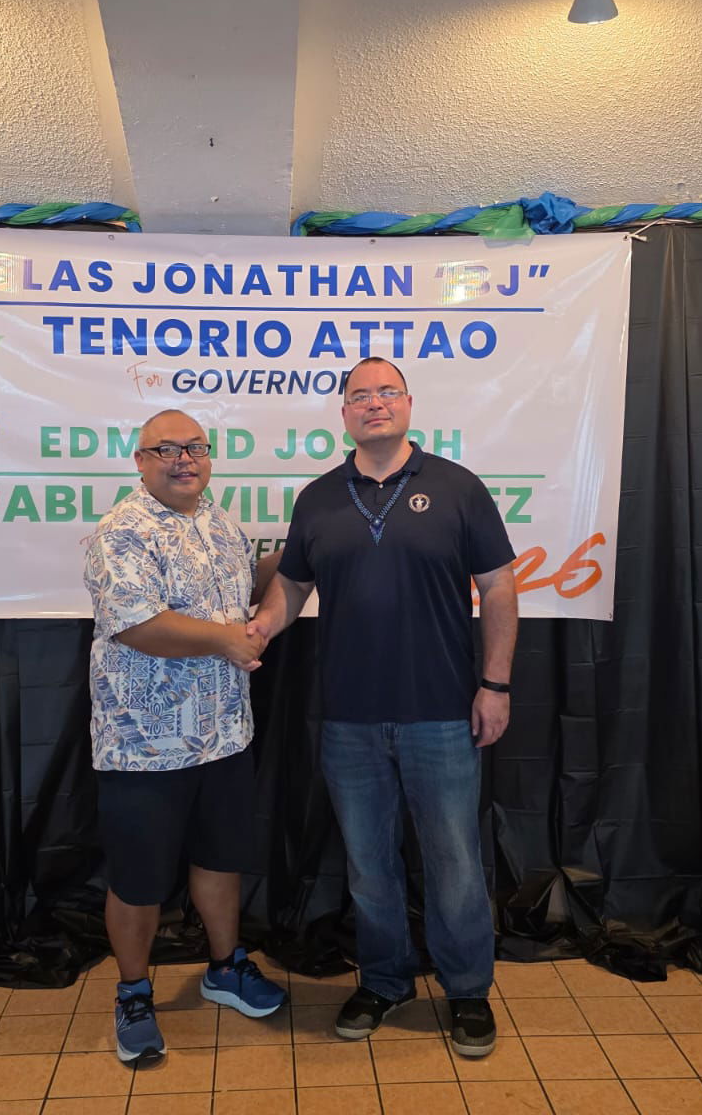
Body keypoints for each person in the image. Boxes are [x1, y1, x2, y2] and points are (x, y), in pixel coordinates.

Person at [249, 357, 519, 1057]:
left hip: (442, 713)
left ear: (408, 404)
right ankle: (384, 979)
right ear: (343, 414)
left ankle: (467, 991)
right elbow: (292, 588)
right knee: (369, 866)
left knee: (454, 862)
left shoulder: (458, 487)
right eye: (360, 395)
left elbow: (499, 587)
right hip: (349, 719)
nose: (374, 403)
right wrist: (258, 630)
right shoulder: (318, 499)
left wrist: (495, 685)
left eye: (386, 392)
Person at [83, 408, 287, 1067]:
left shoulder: (220, 522)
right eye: (166, 449)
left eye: (195, 447)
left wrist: (296, 556)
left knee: (220, 860)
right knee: (139, 880)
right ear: (140, 461)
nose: (183, 460)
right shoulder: (122, 531)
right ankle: (134, 993)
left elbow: (243, 589)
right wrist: (228, 640)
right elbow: (138, 624)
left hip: (223, 736)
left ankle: (225, 968)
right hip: (144, 745)